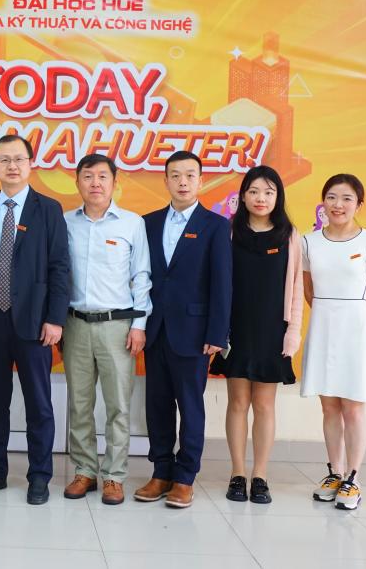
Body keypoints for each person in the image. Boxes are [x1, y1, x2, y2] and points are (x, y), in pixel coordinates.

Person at [0, 134, 70, 506]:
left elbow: (60, 267)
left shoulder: (49, 209)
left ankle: (39, 475)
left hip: (35, 320)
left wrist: (55, 318)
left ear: (30, 164)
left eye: (19, 159)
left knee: (39, 401)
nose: (12, 166)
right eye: (4, 159)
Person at [137, 150, 232, 509]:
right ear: (165, 180)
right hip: (154, 330)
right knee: (157, 404)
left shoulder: (216, 225)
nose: (182, 182)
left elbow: (222, 283)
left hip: (194, 332)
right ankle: (161, 472)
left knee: (190, 407)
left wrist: (217, 334)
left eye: (190, 175)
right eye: (175, 175)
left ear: (201, 180)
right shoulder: (147, 223)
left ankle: (185, 477)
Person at [209, 165, 303, 505]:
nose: (260, 198)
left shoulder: (289, 235)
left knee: (264, 405)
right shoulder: (228, 232)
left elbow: (296, 289)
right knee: (237, 402)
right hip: (235, 330)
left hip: (271, 331)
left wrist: (293, 333)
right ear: (243, 196)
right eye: (253, 191)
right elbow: (216, 283)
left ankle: (260, 475)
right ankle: (237, 473)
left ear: (278, 197)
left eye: (268, 192)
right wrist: (217, 330)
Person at [62, 154, 151, 505]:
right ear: (77, 182)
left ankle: (114, 476)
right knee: (79, 404)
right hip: (75, 325)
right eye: (88, 176)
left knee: (118, 406)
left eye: (102, 176)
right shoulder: (65, 222)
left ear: (115, 182)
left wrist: (139, 325)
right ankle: (84, 470)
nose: (95, 183)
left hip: (118, 327)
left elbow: (141, 277)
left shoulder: (131, 224)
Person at [301, 173, 366, 511]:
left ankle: (353, 478)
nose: (338, 205)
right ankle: (334, 473)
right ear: (323, 202)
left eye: (347, 198)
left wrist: (365, 328)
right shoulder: (309, 242)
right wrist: (328, 317)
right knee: (329, 406)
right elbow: (308, 289)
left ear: (359, 205)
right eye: (332, 197)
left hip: (358, 331)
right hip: (323, 328)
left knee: (353, 408)